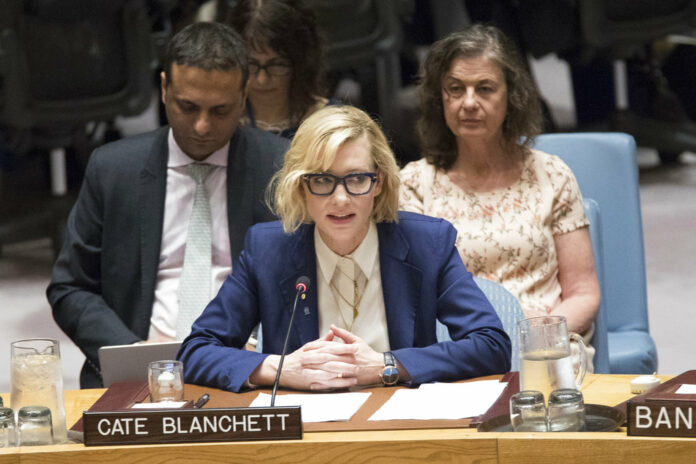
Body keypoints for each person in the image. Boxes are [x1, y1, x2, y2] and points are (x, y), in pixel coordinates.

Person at [178, 105, 511, 392]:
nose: (340, 199)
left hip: (403, 424)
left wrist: (388, 365)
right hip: (306, 434)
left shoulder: (427, 244)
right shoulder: (268, 251)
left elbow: (491, 344)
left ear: (378, 182)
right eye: (322, 180)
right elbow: (195, 351)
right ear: (301, 185)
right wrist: (282, 369)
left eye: (356, 179)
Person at [46, 22, 288, 388]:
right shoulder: (113, 170)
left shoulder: (282, 168)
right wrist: (132, 348)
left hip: (250, 365)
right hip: (138, 369)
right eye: (187, 107)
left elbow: (307, 280)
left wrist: (263, 343)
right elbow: (71, 287)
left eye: (220, 111)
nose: (202, 126)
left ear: (243, 98)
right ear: (163, 89)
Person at [399, 25, 600, 369]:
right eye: (455, 89)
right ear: (440, 98)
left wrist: (534, 334)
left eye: (485, 88)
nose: (469, 102)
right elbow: (414, 300)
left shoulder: (551, 174)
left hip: (544, 347)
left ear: (512, 95)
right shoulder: (415, 184)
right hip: (457, 352)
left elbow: (583, 293)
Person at [220, 0, 332, 139]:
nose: (262, 80)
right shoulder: (217, 121)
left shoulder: (331, 125)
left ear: (301, 62)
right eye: (251, 64)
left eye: (277, 65)